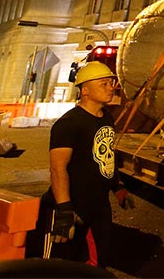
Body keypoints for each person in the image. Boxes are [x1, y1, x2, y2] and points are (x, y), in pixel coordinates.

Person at [43, 61, 134, 267]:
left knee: (98, 261)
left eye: (111, 83)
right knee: (59, 264)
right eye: (104, 84)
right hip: (72, 204)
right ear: (85, 90)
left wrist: (117, 187)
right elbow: (58, 169)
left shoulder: (106, 118)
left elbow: (106, 156)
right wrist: (64, 210)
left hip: (99, 205)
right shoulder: (68, 124)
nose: (111, 87)